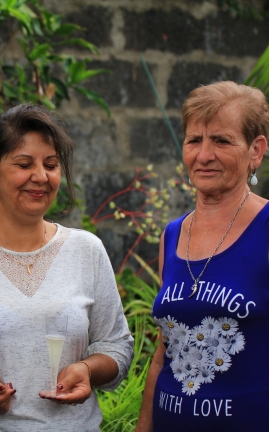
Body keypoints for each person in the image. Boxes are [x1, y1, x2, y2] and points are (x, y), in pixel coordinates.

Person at [0, 103, 133, 431]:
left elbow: (116, 345)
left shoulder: (86, 250)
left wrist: (88, 370)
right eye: (24, 164)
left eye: (51, 165)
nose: (41, 177)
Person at [136, 81, 269, 431]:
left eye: (222, 141)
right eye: (194, 140)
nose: (204, 155)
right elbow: (165, 351)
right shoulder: (172, 235)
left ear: (256, 150)